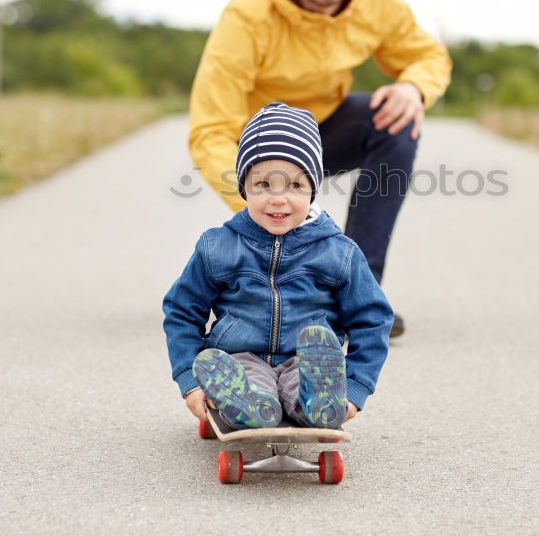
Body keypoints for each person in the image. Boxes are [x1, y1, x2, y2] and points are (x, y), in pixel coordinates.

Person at [188, 0, 452, 339]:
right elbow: (211, 131)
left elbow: (427, 54)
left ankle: (357, 293)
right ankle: (265, 295)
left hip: (326, 128)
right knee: (276, 223)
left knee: (397, 119)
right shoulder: (248, 16)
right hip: (261, 148)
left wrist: (413, 87)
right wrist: (260, 199)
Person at [164, 103, 395, 429]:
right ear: (243, 186)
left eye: (295, 186)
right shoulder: (218, 246)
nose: (278, 198)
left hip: (306, 361)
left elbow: (372, 318)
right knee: (250, 386)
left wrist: (356, 387)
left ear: (313, 189)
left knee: (307, 391)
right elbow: (182, 312)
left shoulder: (339, 252)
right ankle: (247, 405)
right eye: (263, 185)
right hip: (239, 358)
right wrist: (190, 378)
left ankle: (321, 400)